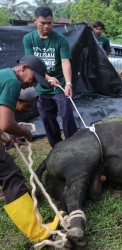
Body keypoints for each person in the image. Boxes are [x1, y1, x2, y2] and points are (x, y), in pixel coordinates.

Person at [0, 55, 61, 242]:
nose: (33, 84)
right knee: (10, 174)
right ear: (23, 68)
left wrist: (8, 138)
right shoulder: (12, 81)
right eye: (34, 78)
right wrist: (24, 132)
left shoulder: (3, 75)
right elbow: (5, 122)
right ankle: (38, 232)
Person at [23, 6, 77, 147]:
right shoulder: (28, 39)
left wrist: (68, 84)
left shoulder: (60, 40)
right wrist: (47, 78)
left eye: (50, 22)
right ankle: (56, 147)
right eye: (43, 23)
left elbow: (65, 61)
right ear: (35, 21)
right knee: (47, 118)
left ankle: (73, 145)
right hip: (42, 86)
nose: (47, 26)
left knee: (67, 116)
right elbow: (31, 63)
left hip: (60, 86)